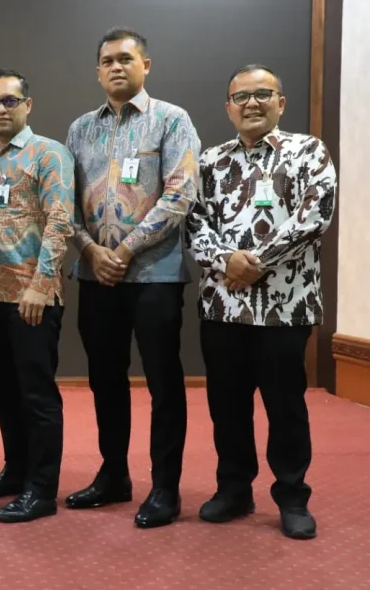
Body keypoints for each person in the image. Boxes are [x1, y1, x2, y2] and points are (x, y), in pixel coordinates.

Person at [187, 65, 336, 540]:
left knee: (285, 406)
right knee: (227, 406)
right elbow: (193, 222)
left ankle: (292, 496)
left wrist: (256, 262)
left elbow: (315, 216)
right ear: (228, 107)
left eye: (262, 94)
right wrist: (226, 260)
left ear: (281, 102)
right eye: (241, 96)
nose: (251, 103)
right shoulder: (210, 161)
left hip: (284, 307)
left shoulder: (308, 151)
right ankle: (234, 490)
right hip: (222, 307)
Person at [65, 27, 200, 528]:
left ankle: (165, 487)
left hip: (154, 275)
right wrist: (90, 250)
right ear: (98, 71)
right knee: (105, 379)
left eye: (126, 58)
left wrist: (123, 250)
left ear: (146, 65)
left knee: (163, 382)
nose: (116, 67)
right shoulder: (80, 129)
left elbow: (181, 195)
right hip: (95, 275)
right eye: (107, 61)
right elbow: (64, 201)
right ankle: (113, 475)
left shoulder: (171, 120)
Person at [0, 69, 75, 523]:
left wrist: (41, 284)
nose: (2, 109)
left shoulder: (49, 154)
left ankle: (42, 489)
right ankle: (16, 471)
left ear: (28, 105)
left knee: (36, 395)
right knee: (3, 391)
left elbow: (60, 221)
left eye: (11, 101)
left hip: (32, 297)